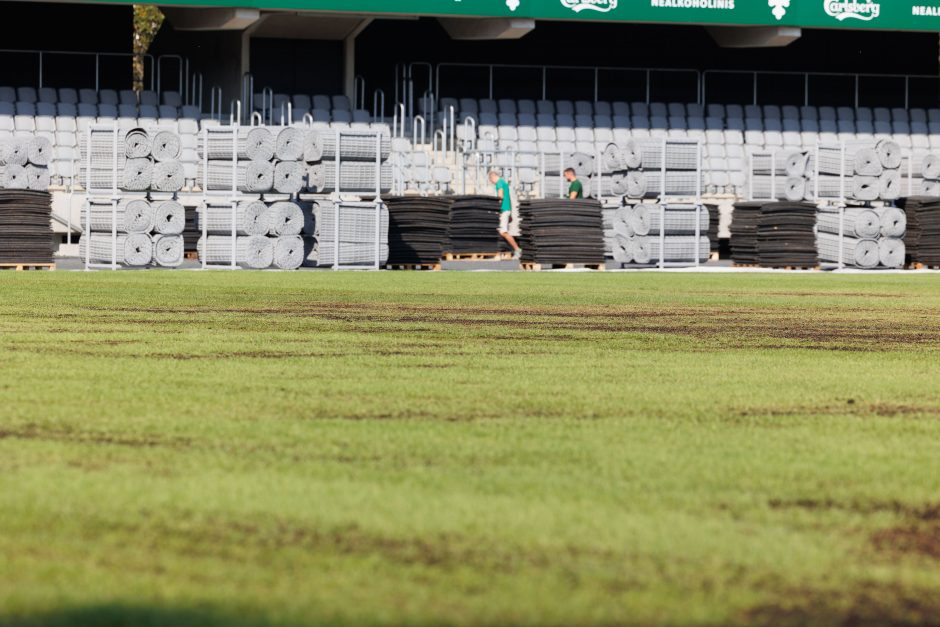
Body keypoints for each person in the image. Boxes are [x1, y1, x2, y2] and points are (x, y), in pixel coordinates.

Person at [489, 170, 522, 259]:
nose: (491, 182)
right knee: (500, 231)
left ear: (492, 177)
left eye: (490, 180)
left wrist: (493, 205)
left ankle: (517, 249)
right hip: (506, 209)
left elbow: (500, 196)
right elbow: (509, 199)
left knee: (503, 232)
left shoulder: (499, 183)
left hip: (503, 210)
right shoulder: (504, 183)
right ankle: (499, 253)